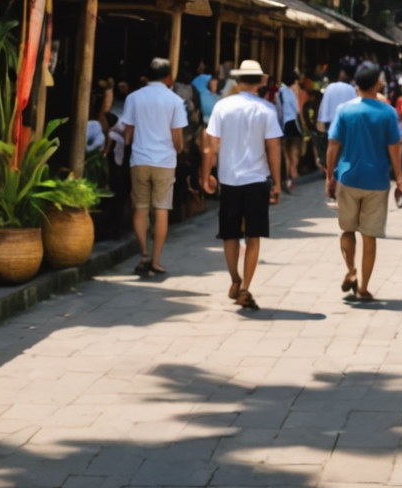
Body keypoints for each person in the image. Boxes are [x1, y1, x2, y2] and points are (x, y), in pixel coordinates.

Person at [200, 59, 283, 311]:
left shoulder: (222, 107)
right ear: (259, 81)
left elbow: (211, 145)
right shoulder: (266, 110)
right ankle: (246, 286)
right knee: (254, 235)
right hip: (257, 180)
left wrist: (206, 175)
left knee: (230, 234)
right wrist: (277, 182)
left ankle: (234, 278)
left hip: (229, 180)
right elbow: (273, 148)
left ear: (237, 81)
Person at [326, 61, 402, 303]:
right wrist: (400, 180)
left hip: (348, 177)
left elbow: (333, 146)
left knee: (347, 230)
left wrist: (329, 176)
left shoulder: (345, 110)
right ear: (378, 84)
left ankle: (351, 270)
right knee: (369, 236)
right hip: (377, 181)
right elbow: (395, 149)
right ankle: (363, 288)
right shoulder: (387, 112)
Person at [115, 58, 189, 277]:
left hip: (139, 159)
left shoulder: (133, 97)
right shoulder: (175, 101)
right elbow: (178, 138)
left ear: (147, 76)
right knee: (161, 210)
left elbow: (128, 132)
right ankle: (156, 261)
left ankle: (144, 255)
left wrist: (130, 141)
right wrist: (178, 149)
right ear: (169, 78)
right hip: (164, 161)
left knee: (140, 208)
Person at [277, 70, 303, 193]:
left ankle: (287, 176)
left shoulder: (279, 92)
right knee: (293, 149)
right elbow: (296, 108)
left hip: (284, 124)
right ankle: (293, 172)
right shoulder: (291, 92)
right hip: (293, 123)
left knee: (284, 150)